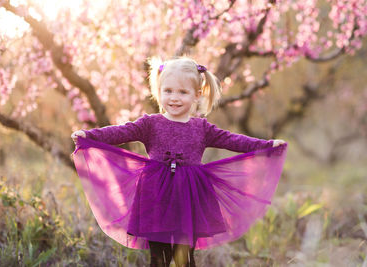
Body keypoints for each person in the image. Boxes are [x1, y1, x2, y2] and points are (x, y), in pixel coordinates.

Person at [71, 56, 287, 267]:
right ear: (159, 92)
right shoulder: (150, 124)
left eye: (183, 92)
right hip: (155, 197)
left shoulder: (202, 128)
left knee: (184, 259)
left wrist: (266, 145)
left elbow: (234, 140)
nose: (174, 98)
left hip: (189, 199)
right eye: (168, 91)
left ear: (196, 95)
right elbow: (119, 132)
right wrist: (90, 136)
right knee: (158, 260)